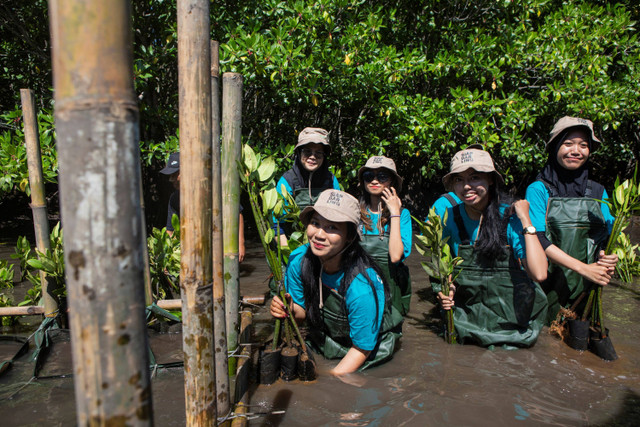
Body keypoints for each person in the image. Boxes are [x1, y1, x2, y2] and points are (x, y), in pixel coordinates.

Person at [270, 189, 402, 374]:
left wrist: (330, 379)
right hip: (326, 338)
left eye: (332, 227)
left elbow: (361, 348)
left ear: (350, 236)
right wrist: (289, 308)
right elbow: (301, 314)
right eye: (315, 223)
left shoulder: (362, 286)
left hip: (365, 348)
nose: (319, 235)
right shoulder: (299, 260)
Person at [437, 147, 549, 347]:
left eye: (474, 178)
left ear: (490, 179)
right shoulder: (450, 218)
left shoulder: (511, 216)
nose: (467, 186)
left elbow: (539, 274)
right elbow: (444, 267)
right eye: (459, 180)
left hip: (513, 329)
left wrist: (525, 220)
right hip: (466, 325)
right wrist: (446, 290)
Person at [525, 116, 618, 325]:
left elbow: (606, 236)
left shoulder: (598, 191)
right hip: (547, 284)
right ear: (555, 147)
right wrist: (583, 268)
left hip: (587, 287)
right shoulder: (539, 190)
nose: (576, 151)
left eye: (583, 145)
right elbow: (538, 239)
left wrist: (608, 256)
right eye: (568, 143)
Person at [160, 152, 245, 262]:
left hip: (220, 244)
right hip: (194, 250)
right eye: (170, 175)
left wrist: (240, 243)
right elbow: (170, 231)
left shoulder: (210, 190)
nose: (171, 179)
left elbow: (236, 213)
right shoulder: (175, 198)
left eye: (175, 174)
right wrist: (168, 257)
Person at [357, 155, 412, 316]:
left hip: (390, 286)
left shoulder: (403, 215)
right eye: (369, 176)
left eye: (382, 176)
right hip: (359, 285)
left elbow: (395, 256)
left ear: (392, 182)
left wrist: (394, 213)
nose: (374, 181)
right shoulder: (354, 211)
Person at [275, 127, 340, 246]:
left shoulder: (331, 181)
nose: (312, 157)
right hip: (292, 243)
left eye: (319, 153)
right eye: (307, 152)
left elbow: (338, 219)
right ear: (299, 153)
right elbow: (276, 224)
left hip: (324, 244)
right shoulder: (287, 181)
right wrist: (289, 254)